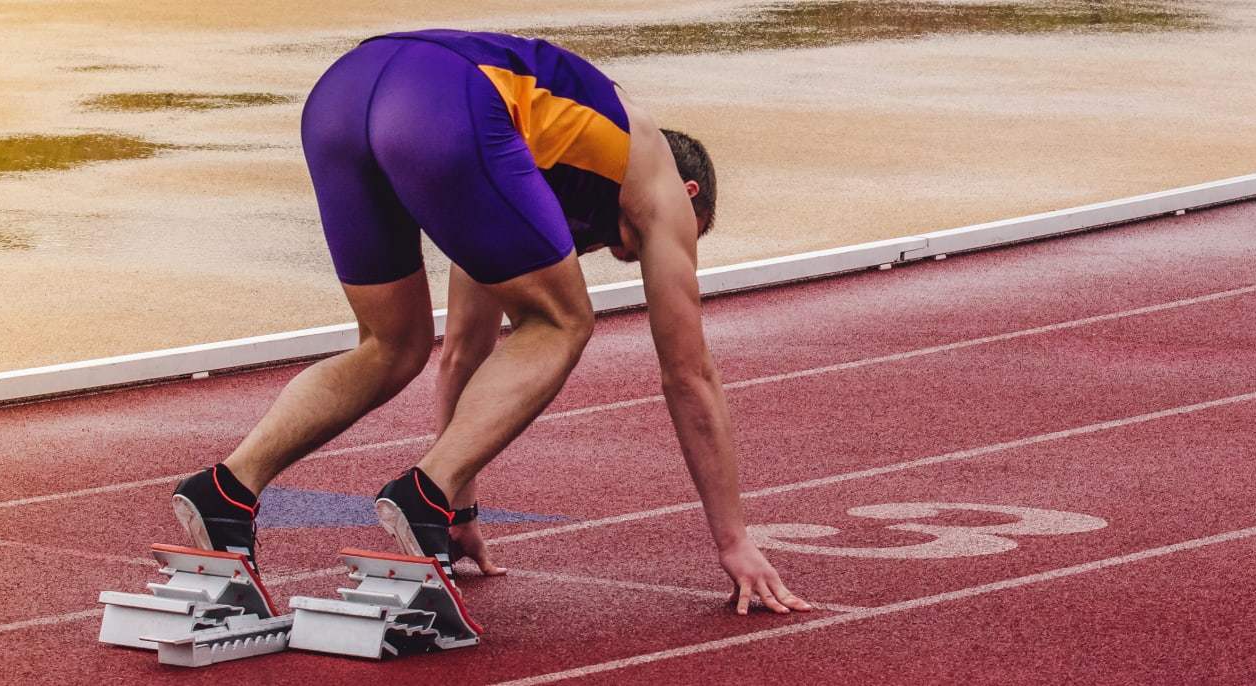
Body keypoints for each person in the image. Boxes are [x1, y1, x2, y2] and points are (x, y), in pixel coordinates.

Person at [168, 28, 811, 616]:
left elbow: (466, 351)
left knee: (393, 344)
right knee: (564, 320)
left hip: (343, 95)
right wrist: (734, 540)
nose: (649, 256)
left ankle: (227, 490)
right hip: (441, 100)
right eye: (683, 242)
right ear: (690, 198)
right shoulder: (659, 177)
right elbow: (688, 373)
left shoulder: (522, 168)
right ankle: (423, 496)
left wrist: (461, 505)